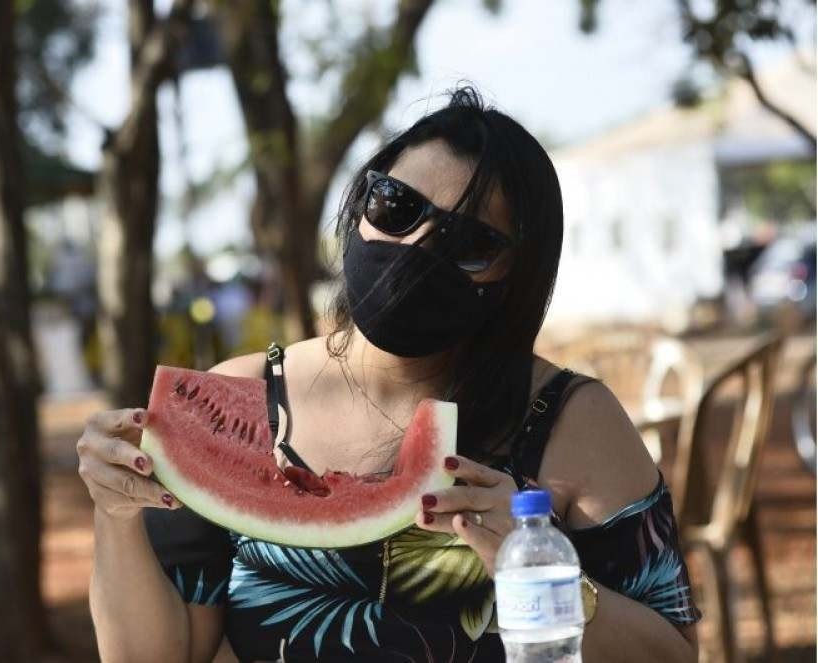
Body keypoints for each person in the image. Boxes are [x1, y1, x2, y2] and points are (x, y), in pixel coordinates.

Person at [76, 87, 701, 662]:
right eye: (396, 206)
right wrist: (117, 515)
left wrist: (540, 574)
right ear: (359, 207)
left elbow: (674, 653)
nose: (415, 250)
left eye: (469, 244)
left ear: (514, 278)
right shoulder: (238, 397)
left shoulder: (570, 419)